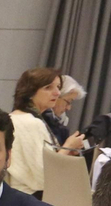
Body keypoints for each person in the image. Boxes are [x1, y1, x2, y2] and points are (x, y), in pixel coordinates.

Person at [6, 68, 86, 196]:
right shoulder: (31, 123)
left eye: (58, 87)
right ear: (30, 92)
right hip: (30, 198)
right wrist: (67, 147)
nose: (56, 93)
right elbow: (44, 175)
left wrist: (63, 152)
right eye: (48, 88)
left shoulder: (18, 117)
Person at [41, 75, 86, 145]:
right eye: (68, 102)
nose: (68, 108)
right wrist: (68, 146)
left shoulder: (61, 127)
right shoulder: (38, 122)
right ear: (56, 96)